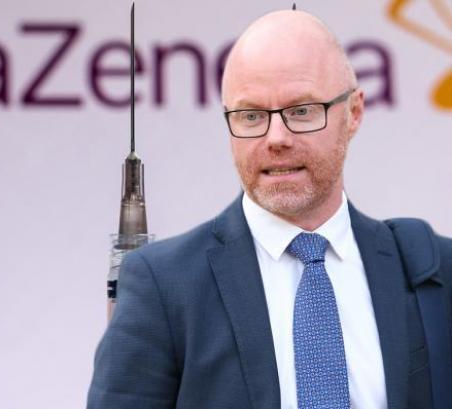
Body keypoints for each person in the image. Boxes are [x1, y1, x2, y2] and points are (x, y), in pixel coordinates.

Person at [87, 9, 452, 409]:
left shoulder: (431, 268)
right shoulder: (164, 285)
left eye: (301, 111)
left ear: (353, 113)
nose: (276, 137)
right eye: (251, 116)